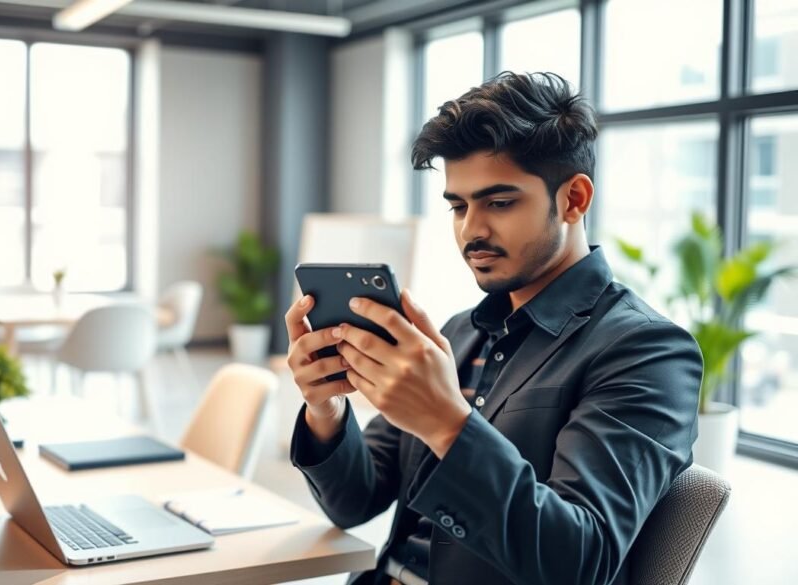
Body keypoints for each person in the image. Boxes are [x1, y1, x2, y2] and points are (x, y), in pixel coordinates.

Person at [284, 72, 701, 585]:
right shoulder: (459, 333)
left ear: (573, 199)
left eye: (499, 203)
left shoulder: (647, 351)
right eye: (458, 206)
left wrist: (446, 423)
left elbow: (579, 562)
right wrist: (326, 409)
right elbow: (354, 501)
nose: (471, 230)